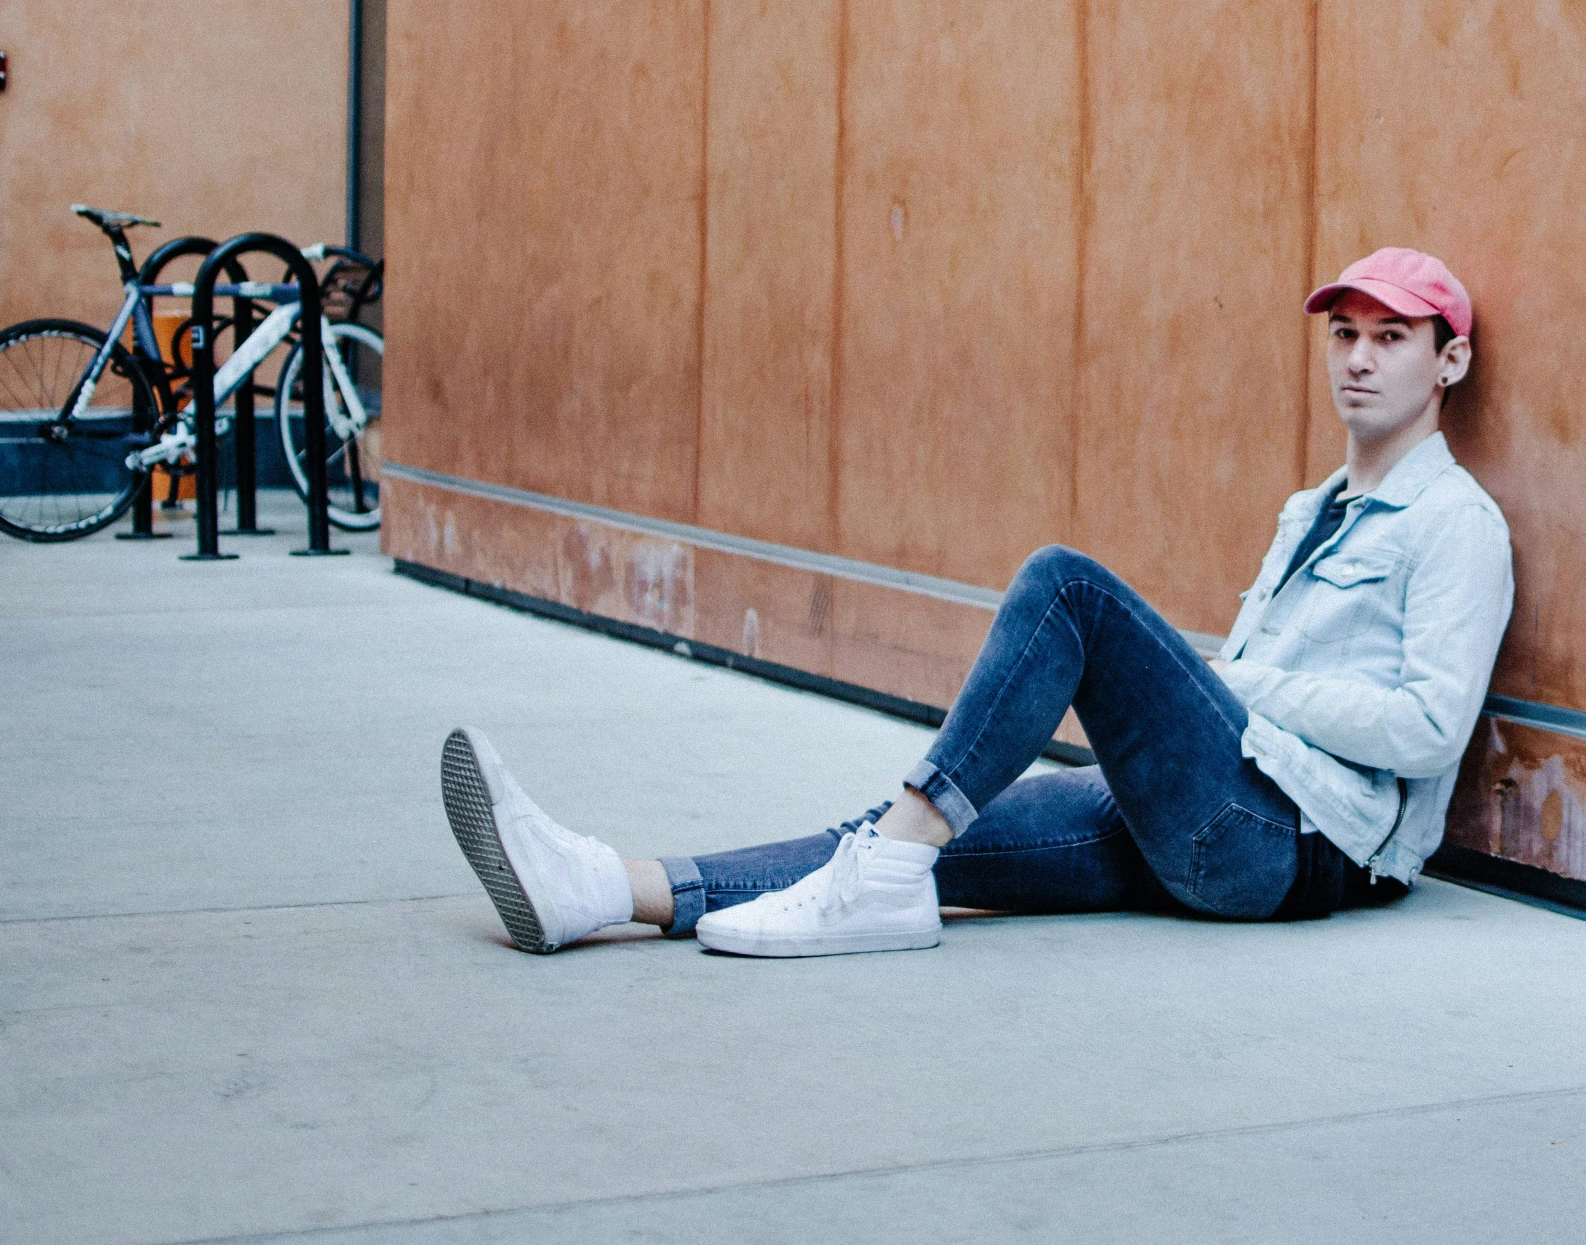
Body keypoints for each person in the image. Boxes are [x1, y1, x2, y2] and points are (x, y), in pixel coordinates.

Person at [440, 246, 1514, 959]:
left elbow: (1427, 731)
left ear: (1448, 358)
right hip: (1222, 803)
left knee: (1066, 587)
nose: (1360, 359)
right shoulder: (1308, 508)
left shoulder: (1455, 523)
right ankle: (602, 887)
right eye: (1345, 335)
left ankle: (885, 878)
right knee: (900, 835)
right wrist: (1231, 695)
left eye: (1392, 337)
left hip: (1286, 843)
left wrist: (1243, 686)